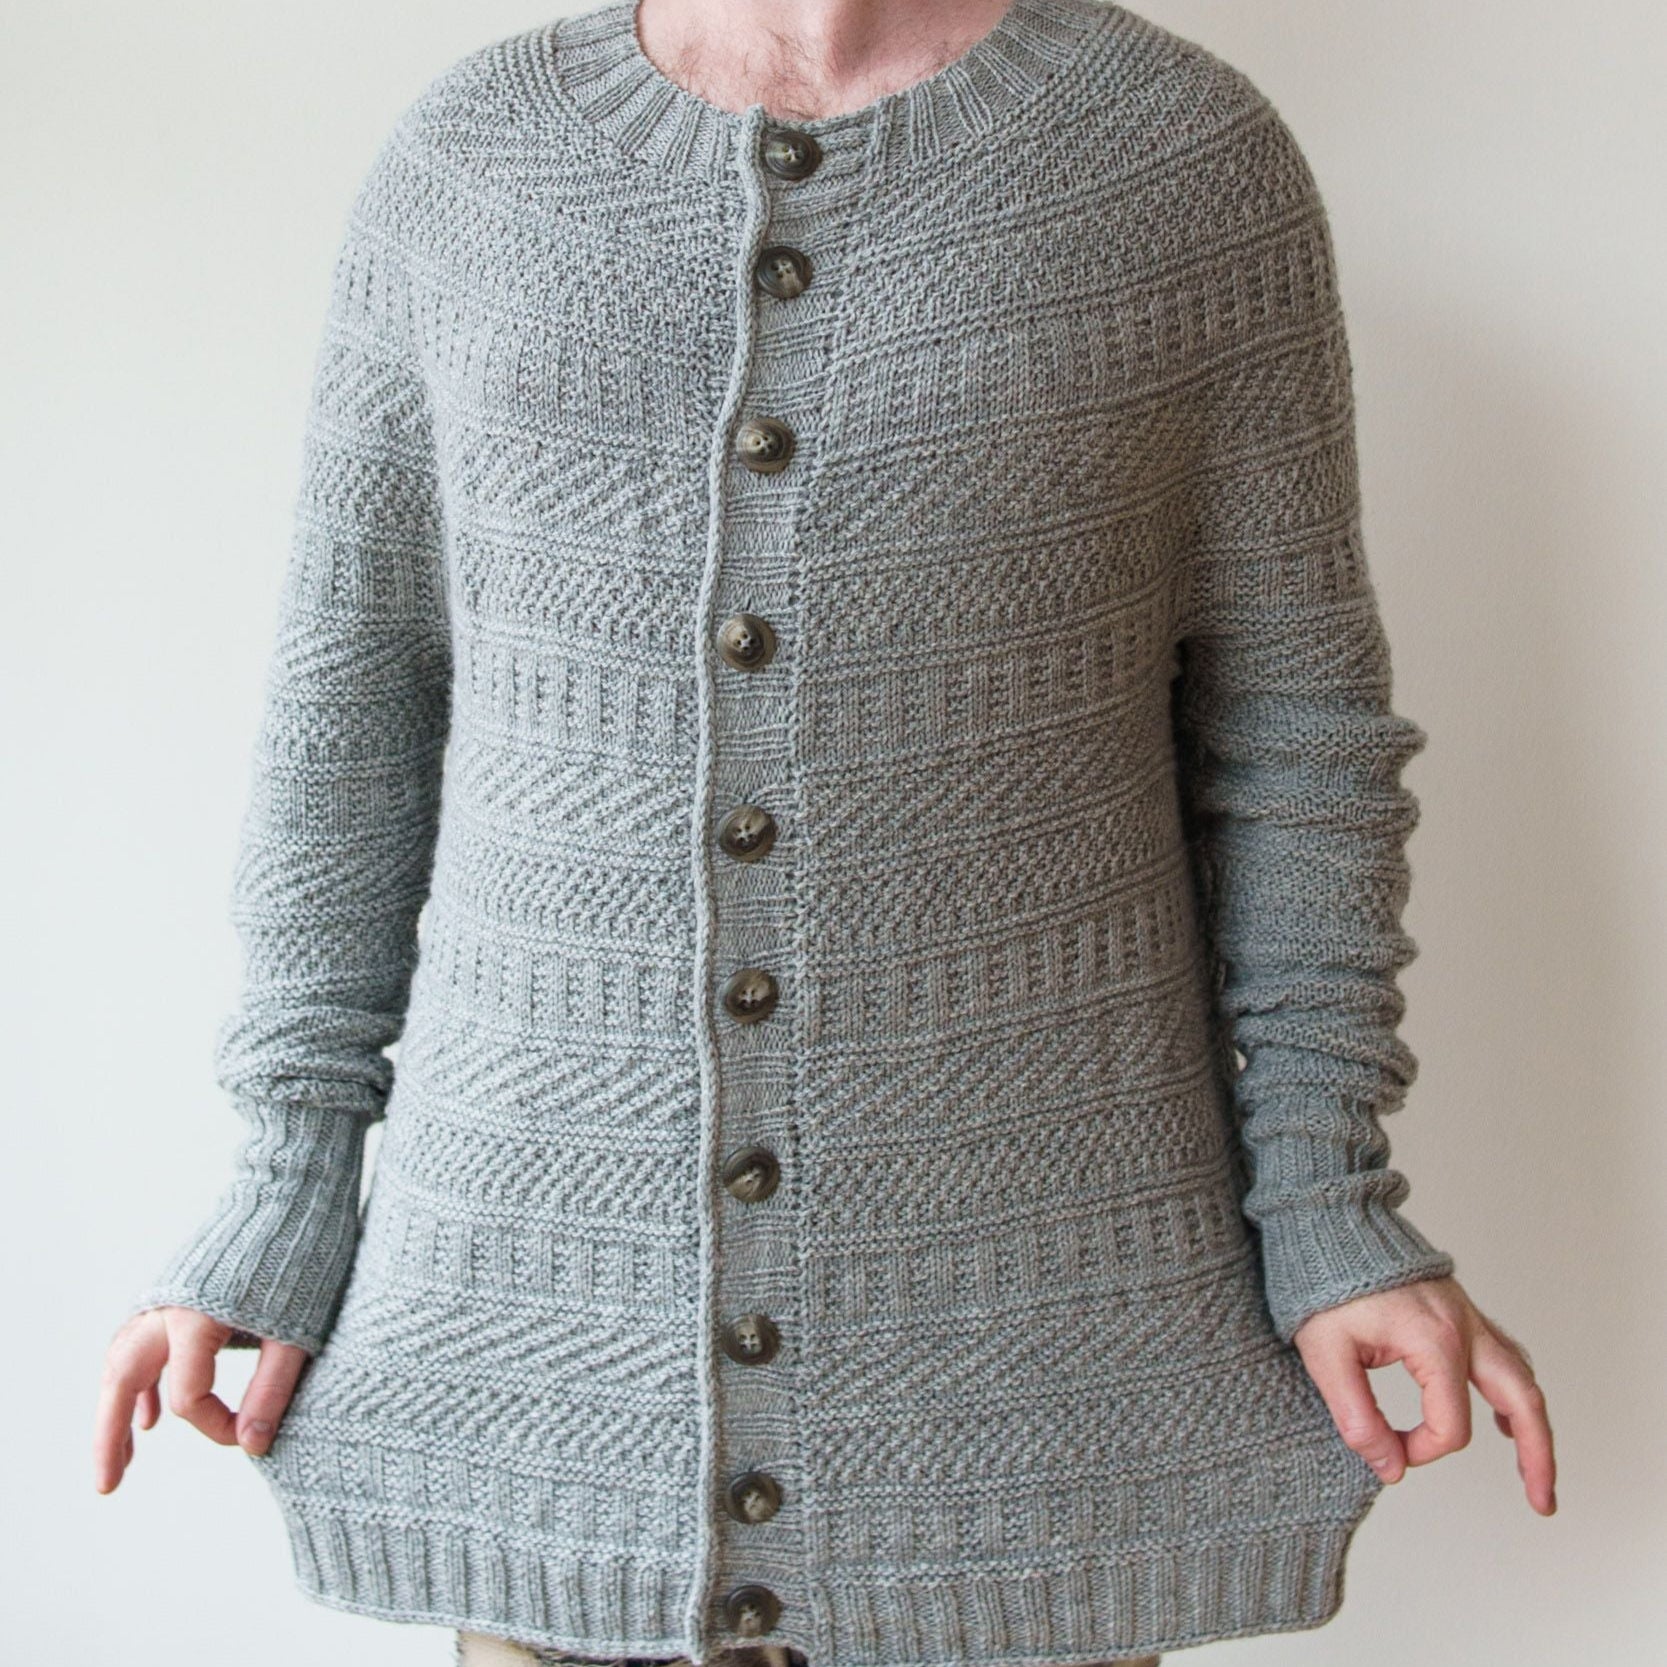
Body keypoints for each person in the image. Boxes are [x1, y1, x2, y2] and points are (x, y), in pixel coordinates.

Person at [94, 3, 1557, 1664]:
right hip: (542, 1355)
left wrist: (1329, 1194)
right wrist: (286, 1178)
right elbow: (347, 717)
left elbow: (1295, 745)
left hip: (1027, 1387)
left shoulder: (1182, 164)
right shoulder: (473, 165)